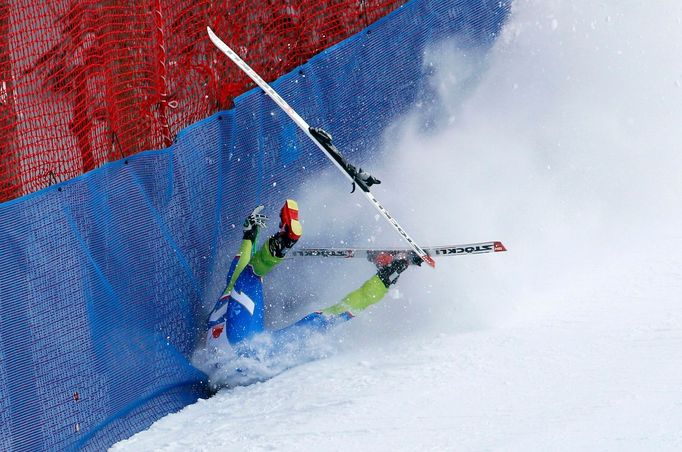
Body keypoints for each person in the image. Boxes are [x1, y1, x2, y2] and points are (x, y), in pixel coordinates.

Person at [204, 199, 417, 359]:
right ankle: (283, 241)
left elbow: (239, 267)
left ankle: (388, 274)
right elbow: (240, 267)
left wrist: (250, 236)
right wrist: (250, 235)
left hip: (252, 357)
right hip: (247, 344)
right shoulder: (230, 300)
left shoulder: (225, 306)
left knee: (330, 317)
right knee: (327, 315)